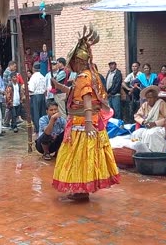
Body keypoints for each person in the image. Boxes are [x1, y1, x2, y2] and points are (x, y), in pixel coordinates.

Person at [50, 25, 120, 201]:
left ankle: (80, 192)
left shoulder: (83, 77)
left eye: (73, 61)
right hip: (89, 122)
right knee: (85, 158)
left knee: (77, 158)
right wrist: (59, 87)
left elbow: (87, 99)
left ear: (78, 61)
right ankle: (82, 191)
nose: (71, 65)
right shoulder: (91, 74)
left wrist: (88, 124)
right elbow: (76, 94)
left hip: (82, 123)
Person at [132, 85, 166, 152]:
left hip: (160, 128)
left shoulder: (161, 104)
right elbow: (137, 116)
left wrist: (155, 123)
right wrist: (143, 122)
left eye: (151, 98)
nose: (149, 100)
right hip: (147, 128)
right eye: (147, 98)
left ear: (155, 98)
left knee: (151, 134)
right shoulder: (145, 105)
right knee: (136, 134)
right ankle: (141, 153)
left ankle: (155, 154)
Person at [28, 62, 47, 136]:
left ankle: (37, 130)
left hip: (35, 96)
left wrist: (24, 88)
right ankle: (43, 128)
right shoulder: (43, 76)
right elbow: (45, 88)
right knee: (42, 113)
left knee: (36, 114)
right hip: (42, 96)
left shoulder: (33, 77)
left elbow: (31, 89)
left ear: (33, 69)